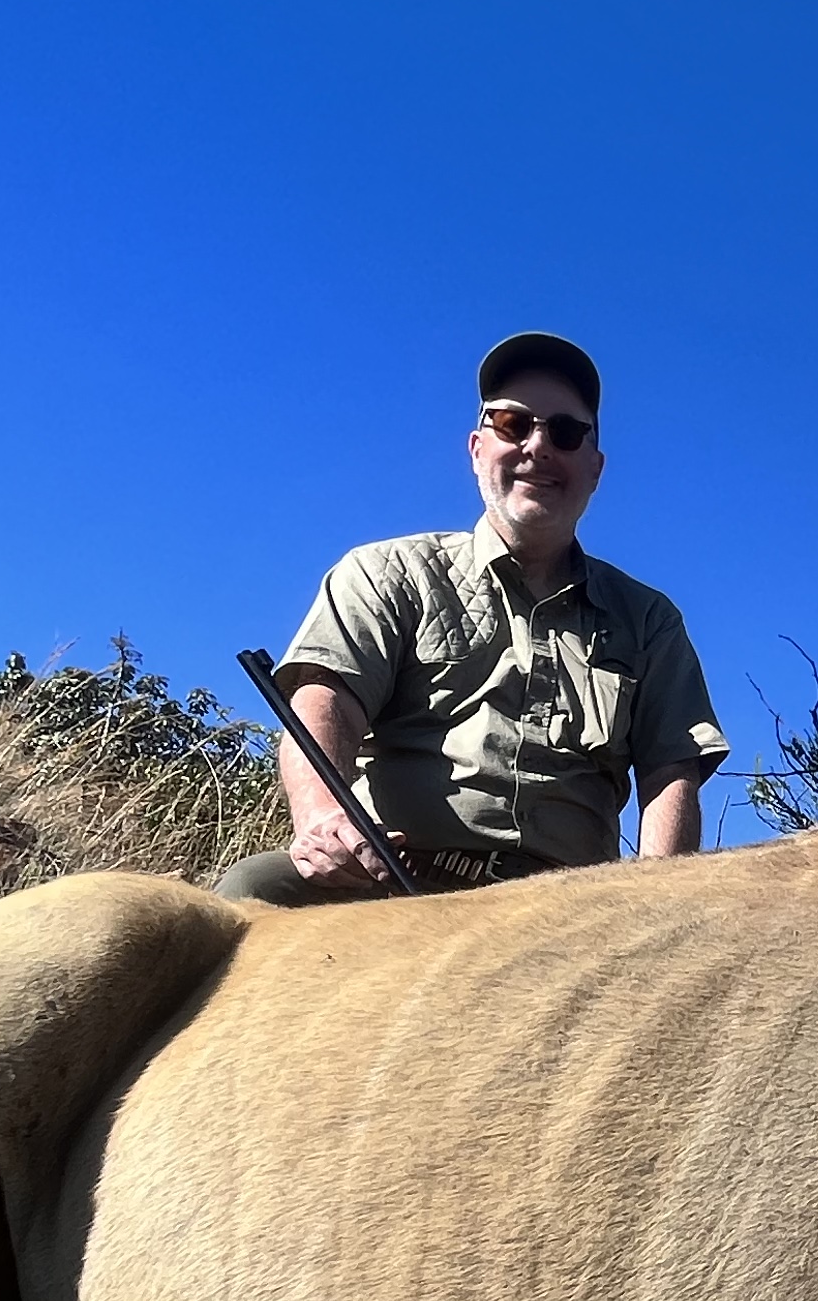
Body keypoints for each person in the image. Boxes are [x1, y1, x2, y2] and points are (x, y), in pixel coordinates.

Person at [216, 331, 727, 903]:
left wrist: (653, 901)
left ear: (595, 468)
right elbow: (326, 696)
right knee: (254, 889)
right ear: (477, 448)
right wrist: (323, 818)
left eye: (566, 432)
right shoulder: (387, 571)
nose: (538, 446)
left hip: (567, 902)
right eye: (512, 424)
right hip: (390, 877)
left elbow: (669, 773)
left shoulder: (650, 620)